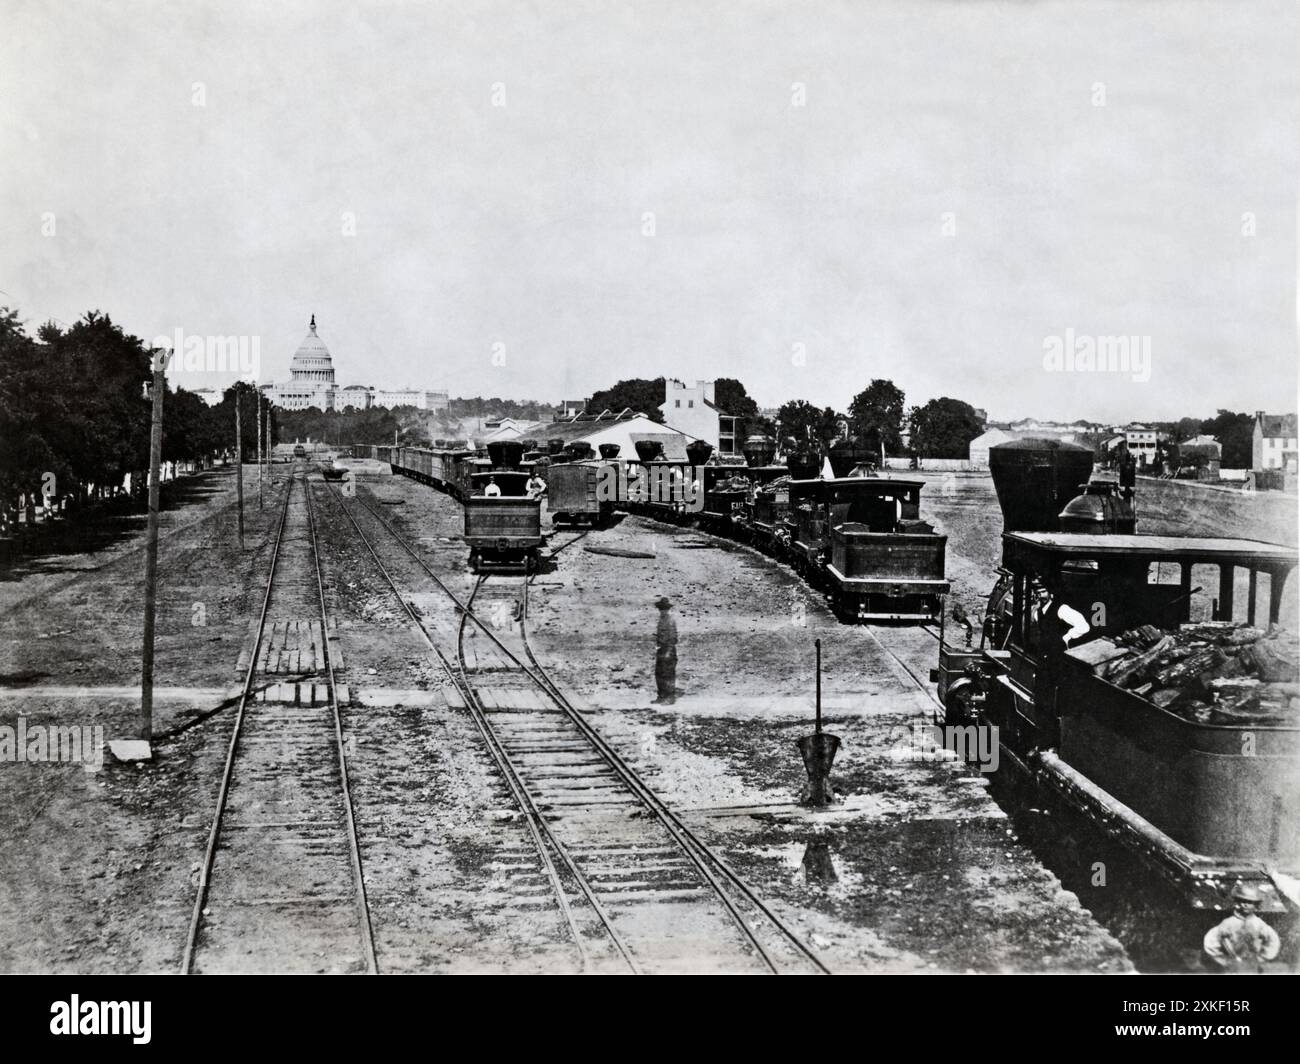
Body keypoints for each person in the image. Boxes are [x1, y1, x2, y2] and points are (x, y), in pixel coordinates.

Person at [1203, 882, 1281, 973]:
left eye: (1250, 902)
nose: (1245, 905)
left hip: (1252, 966)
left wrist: (1262, 957)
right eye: (1242, 901)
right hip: (1232, 966)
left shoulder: (1259, 924)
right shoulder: (1228, 923)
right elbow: (1211, 940)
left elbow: (1273, 941)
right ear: (1237, 902)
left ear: (1256, 904)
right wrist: (1223, 959)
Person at [653, 596, 677, 704]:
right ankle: (661, 696)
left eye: (664, 609)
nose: (662, 611)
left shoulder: (670, 620)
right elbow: (659, 637)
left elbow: (673, 638)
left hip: (669, 651)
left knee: (668, 674)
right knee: (659, 673)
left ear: (667, 609)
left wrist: (668, 651)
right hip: (661, 650)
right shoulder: (661, 620)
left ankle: (670, 698)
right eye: (660, 609)